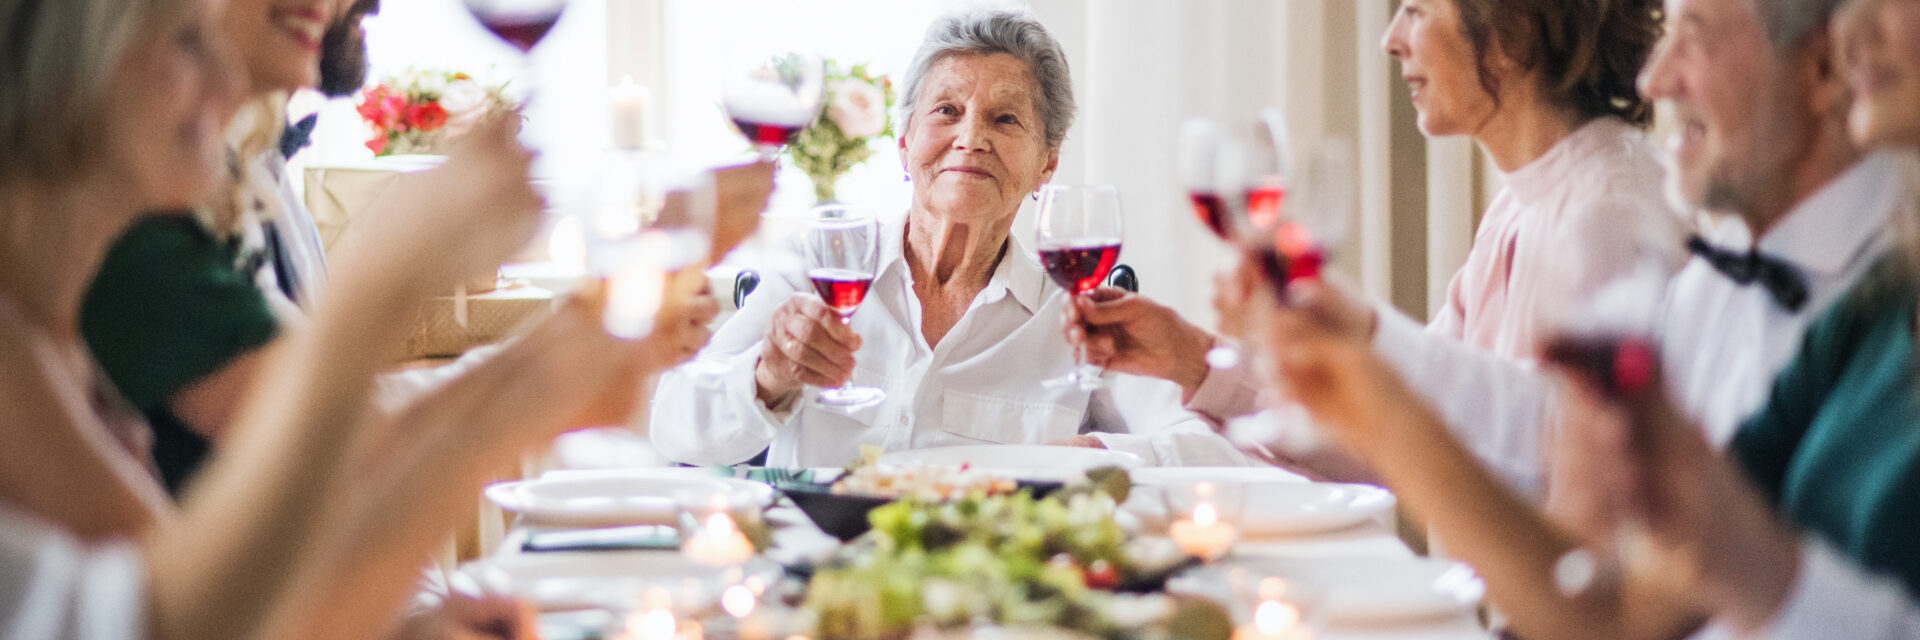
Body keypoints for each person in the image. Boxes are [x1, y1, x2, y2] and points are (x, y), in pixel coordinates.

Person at [0, 0, 712, 638]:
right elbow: (168, 615)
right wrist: (379, 297)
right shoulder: (113, 283)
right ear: (65, 71)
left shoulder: (51, 332)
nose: (223, 77)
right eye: (187, 36)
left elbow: (198, 603)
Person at [1244, 0, 1917, 636]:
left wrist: (1380, 384)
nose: (1653, 81)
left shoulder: (1852, 291)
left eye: (1698, 34)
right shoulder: (1746, 290)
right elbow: (1614, 604)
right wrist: (1367, 374)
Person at [79, 0, 774, 496]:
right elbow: (354, 448)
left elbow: (348, 409)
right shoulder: (132, 227)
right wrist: (599, 321)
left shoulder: (252, 180)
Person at [1065, 0, 1685, 495]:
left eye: (1416, 8)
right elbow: (1400, 430)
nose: (1391, 38)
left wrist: (1356, 327)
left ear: (1515, 24)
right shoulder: (1523, 202)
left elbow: (1557, 466)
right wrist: (1195, 359)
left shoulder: (1610, 215)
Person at [651, 8, 1251, 468]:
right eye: (946, 110)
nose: (970, 138)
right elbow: (674, 422)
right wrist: (768, 376)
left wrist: (1104, 455)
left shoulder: (1076, 313)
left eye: (1005, 118)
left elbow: (1222, 448)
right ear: (904, 145)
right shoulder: (818, 267)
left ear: (1047, 164)